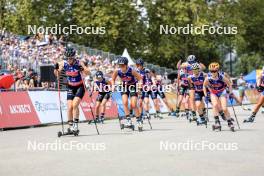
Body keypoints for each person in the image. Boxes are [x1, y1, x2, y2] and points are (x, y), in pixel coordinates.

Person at [54, 47, 90, 134]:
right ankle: (70, 127)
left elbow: (88, 72)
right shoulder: (63, 63)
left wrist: (82, 69)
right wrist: (56, 69)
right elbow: (57, 75)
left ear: (74, 57)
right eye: (67, 58)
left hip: (80, 87)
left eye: (70, 58)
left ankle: (75, 125)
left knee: (75, 105)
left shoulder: (79, 63)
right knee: (69, 107)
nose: (69, 60)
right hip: (70, 87)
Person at [111, 56, 144, 131]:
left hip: (132, 86)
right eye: (120, 65)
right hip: (124, 86)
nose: (121, 67)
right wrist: (113, 86)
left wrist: (139, 88)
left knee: (133, 104)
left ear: (126, 65)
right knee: (125, 102)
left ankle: (139, 120)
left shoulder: (131, 70)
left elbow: (140, 79)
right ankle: (129, 120)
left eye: (122, 65)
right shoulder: (117, 71)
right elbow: (112, 79)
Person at [203, 62, 235, 131]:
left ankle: (229, 122)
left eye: (214, 71)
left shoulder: (221, 77)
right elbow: (204, 86)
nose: (213, 73)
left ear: (217, 71)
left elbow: (229, 84)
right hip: (213, 92)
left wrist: (230, 92)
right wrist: (206, 95)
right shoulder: (208, 77)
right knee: (215, 105)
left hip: (222, 92)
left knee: (224, 108)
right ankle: (217, 122)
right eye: (211, 71)